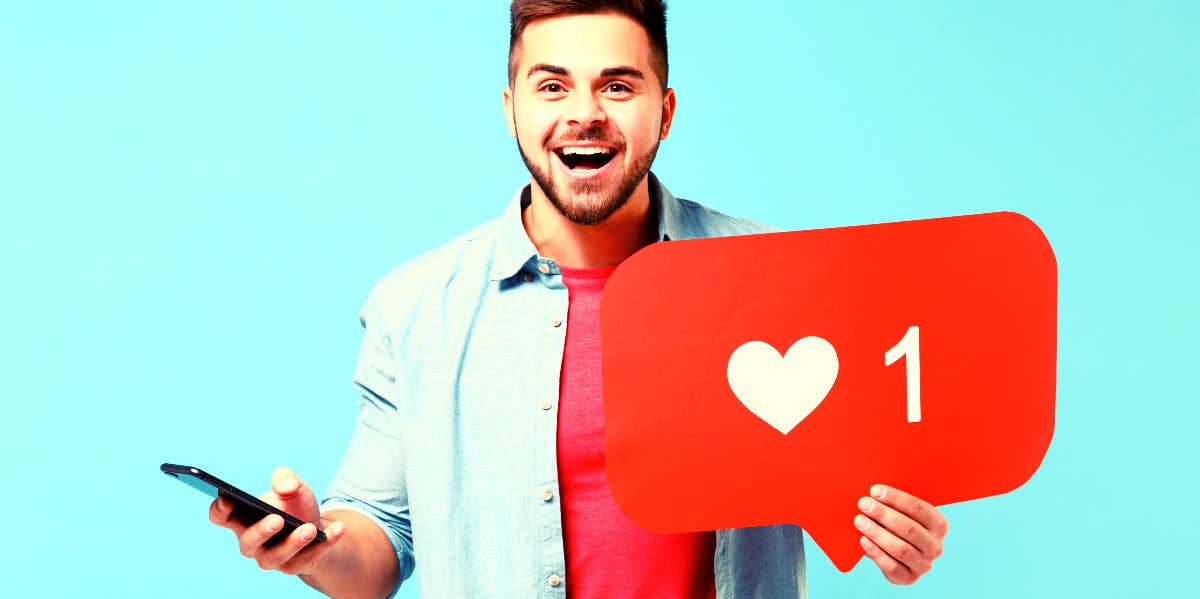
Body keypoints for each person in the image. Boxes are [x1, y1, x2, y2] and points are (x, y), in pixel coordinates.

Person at [208, 1, 949, 597]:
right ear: (512, 108)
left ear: (665, 110)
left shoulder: (770, 273)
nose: (585, 112)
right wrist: (312, 547)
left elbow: (850, 488)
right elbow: (378, 550)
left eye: (618, 85)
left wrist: (896, 535)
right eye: (553, 84)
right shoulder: (416, 306)